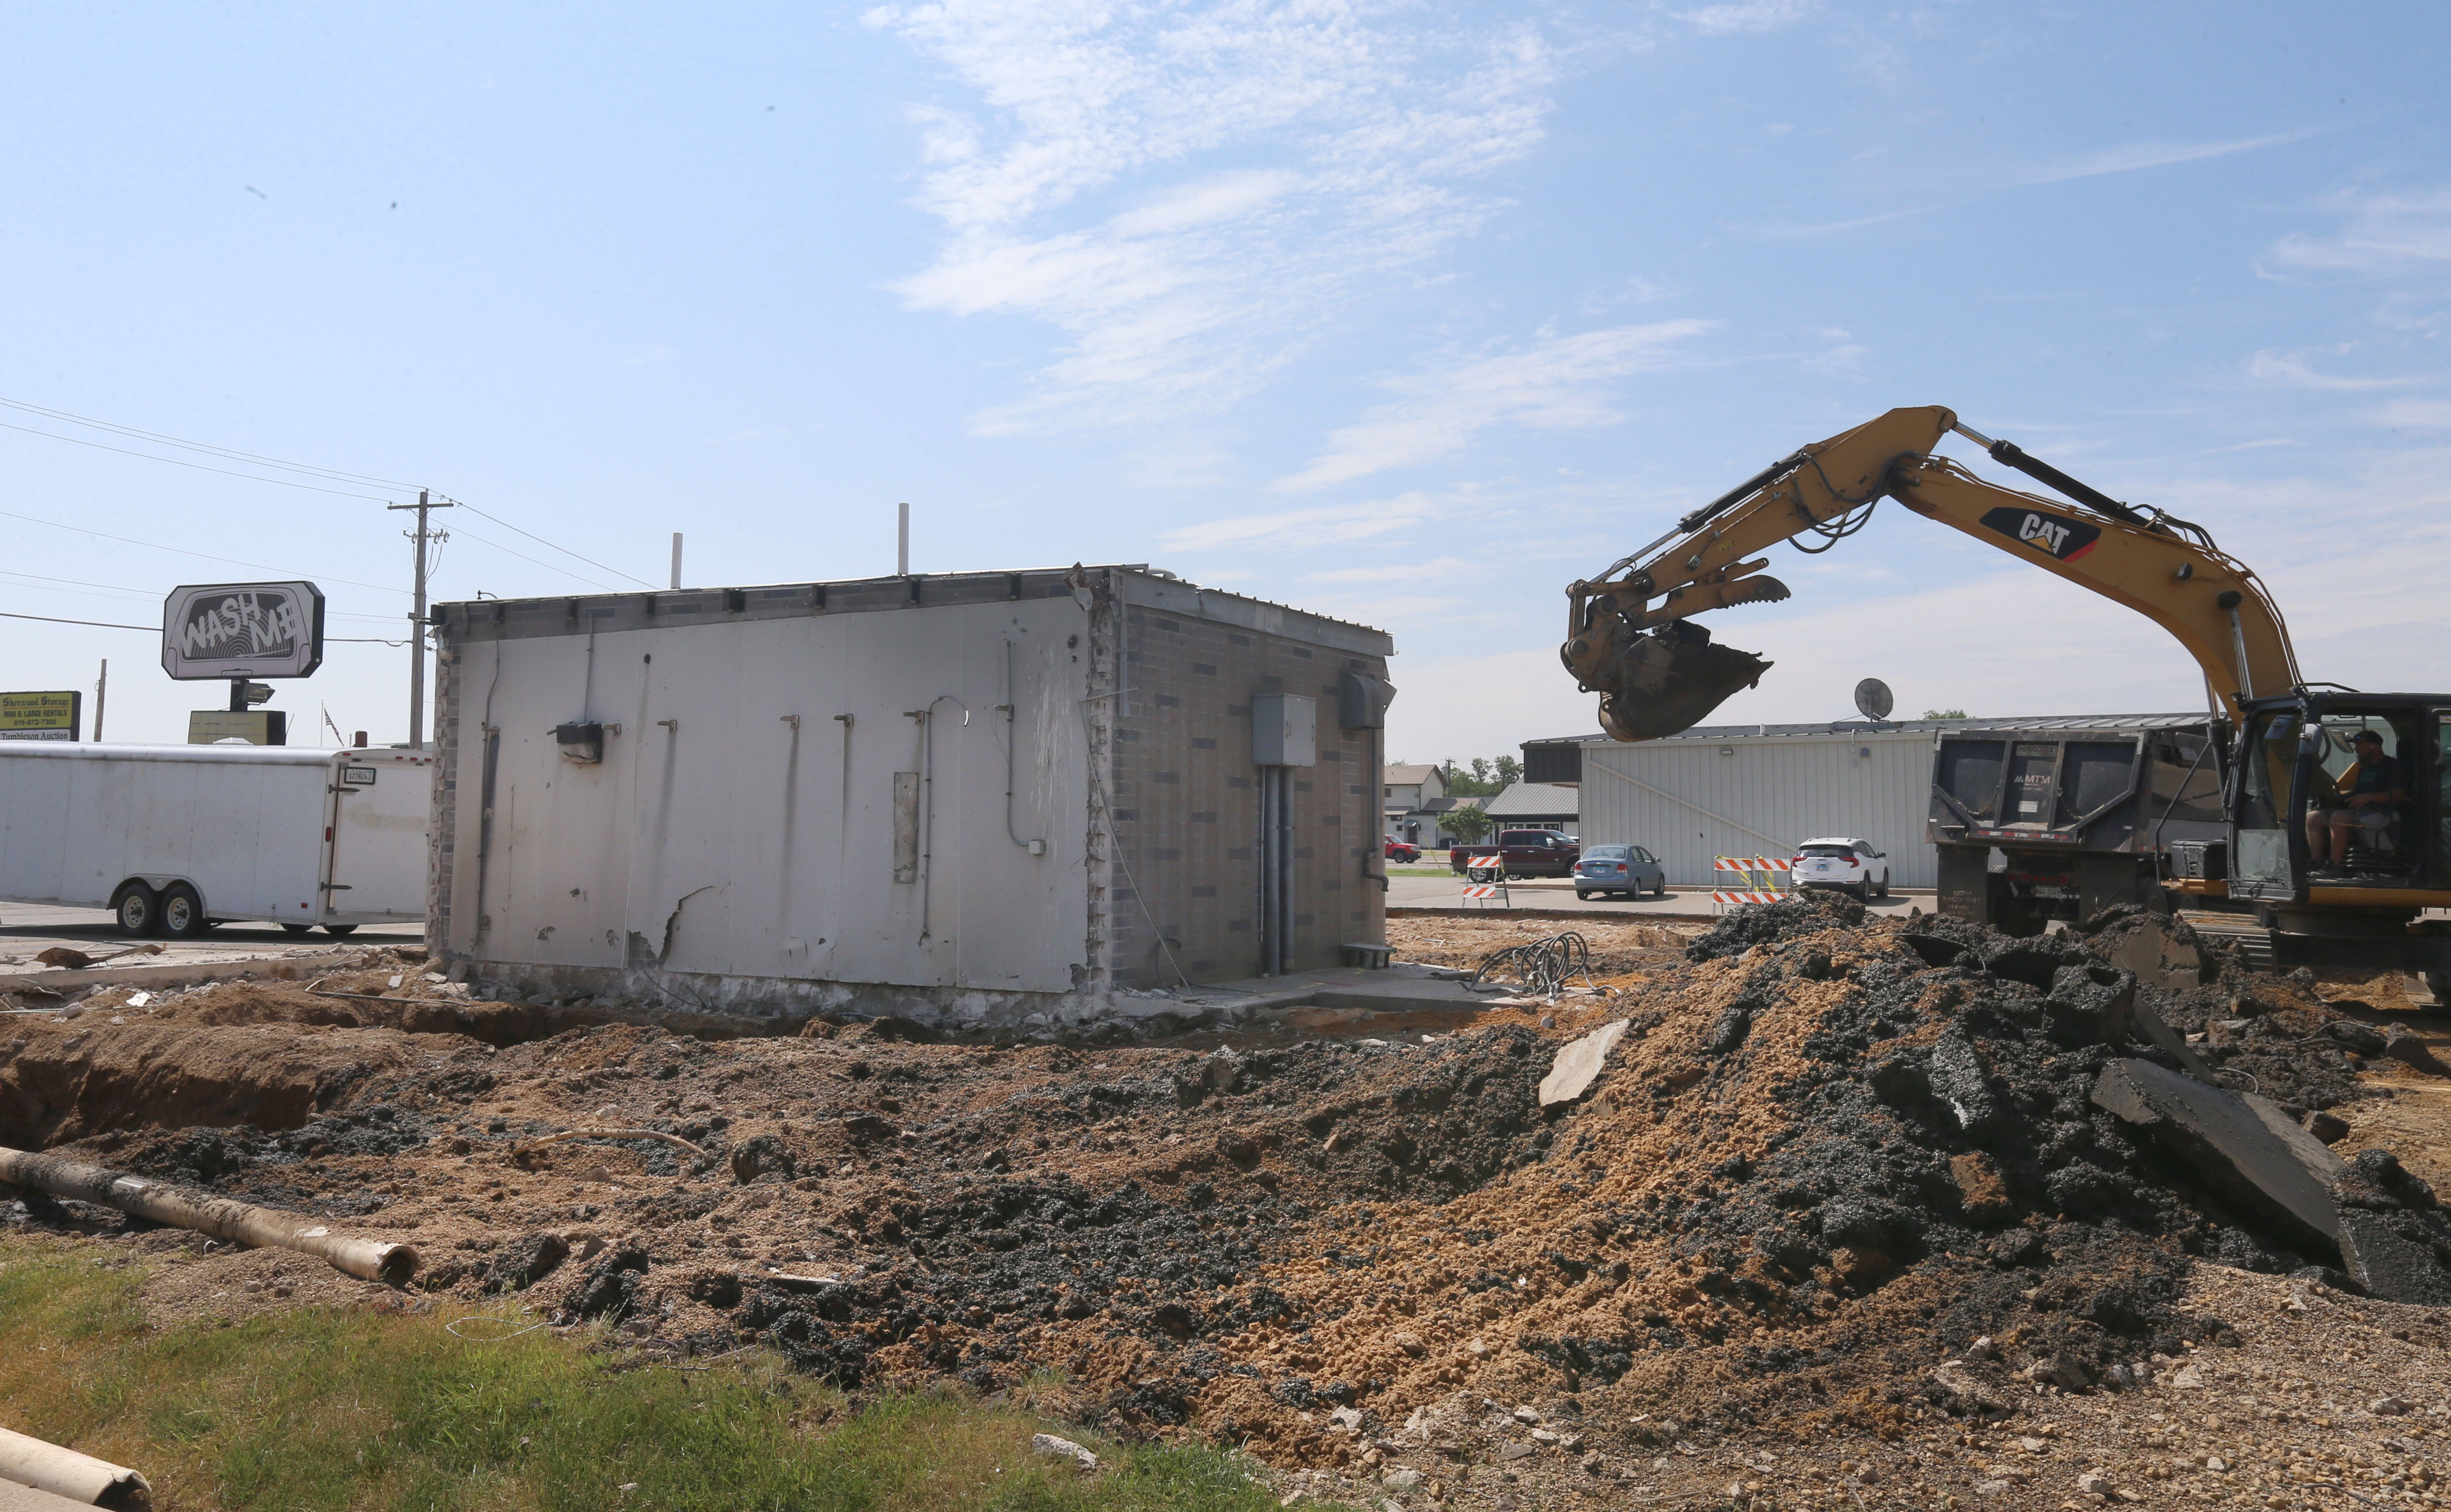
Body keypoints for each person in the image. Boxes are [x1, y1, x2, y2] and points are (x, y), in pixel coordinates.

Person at [2305, 729, 2410, 871]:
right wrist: (2335, 799)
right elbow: (2358, 793)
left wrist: (2370, 797)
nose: (2356, 748)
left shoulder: (2393, 766)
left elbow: (2398, 794)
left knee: (2339, 817)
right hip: (2360, 812)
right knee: (2313, 817)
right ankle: (2316, 863)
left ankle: (2333, 868)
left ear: (2374, 746)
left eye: (2360, 744)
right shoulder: (2364, 769)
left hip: (2383, 813)